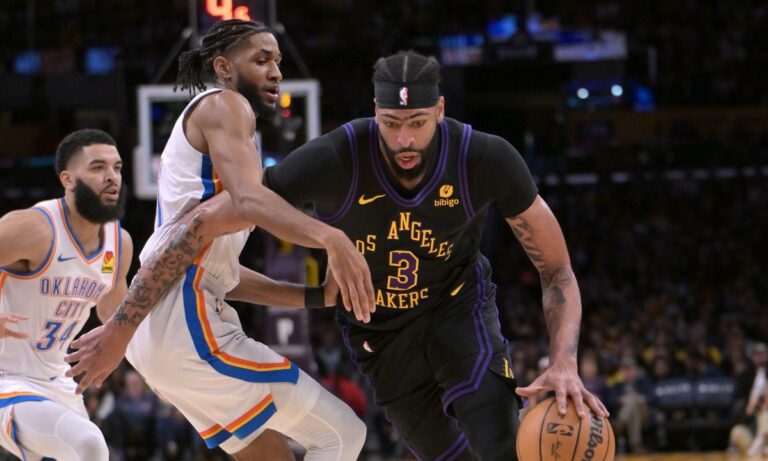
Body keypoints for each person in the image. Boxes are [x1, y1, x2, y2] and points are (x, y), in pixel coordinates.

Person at [71, 48, 608, 459]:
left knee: (498, 438)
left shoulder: (484, 158)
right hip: (380, 331)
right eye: (391, 124)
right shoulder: (338, 157)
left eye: (417, 123)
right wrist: (121, 326)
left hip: (456, 307)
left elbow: (557, 270)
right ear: (375, 113)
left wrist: (564, 361)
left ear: (440, 111)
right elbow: (195, 228)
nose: (404, 139)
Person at [66, 19, 368, 461]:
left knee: (272, 456)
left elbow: (214, 269)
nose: (276, 72)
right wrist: (331, 238)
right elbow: (246, 202)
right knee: (341, 435)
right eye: (261, 60)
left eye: (278, 61)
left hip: (162, 336)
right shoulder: (226, 105)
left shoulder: (221, 138)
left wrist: (312, 297)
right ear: (224, 67)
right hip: (183, 325)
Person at [0, 129, 133, 460]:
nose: (112, 177)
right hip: (7, 377)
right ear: (68, 179)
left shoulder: (119, 244)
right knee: (89, 444)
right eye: (98, 167)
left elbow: (114, 317)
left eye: (117, 168)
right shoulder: (34, 228)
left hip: (58, 382)